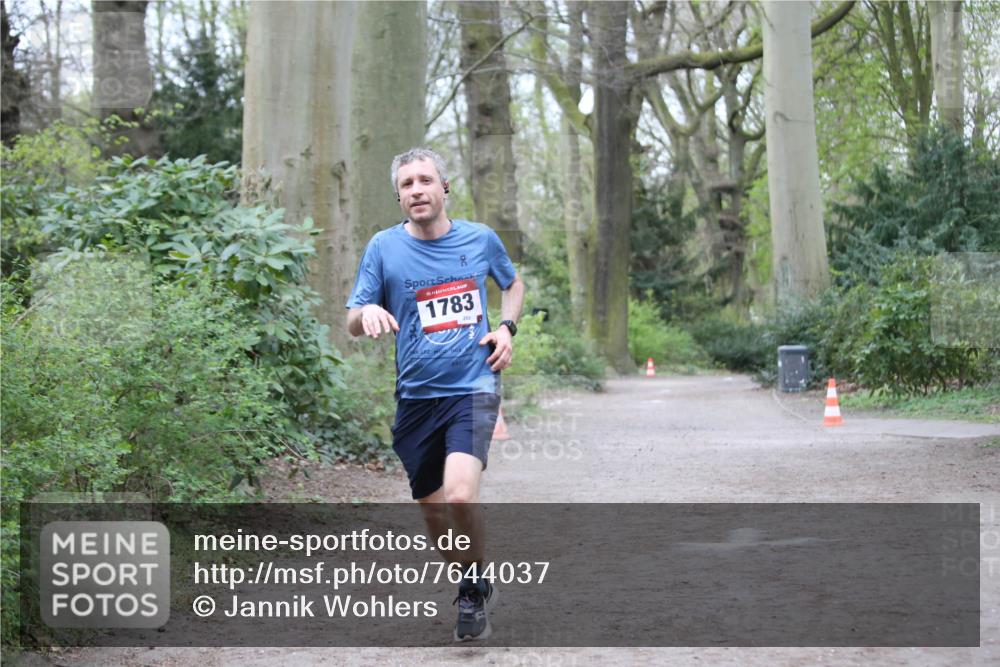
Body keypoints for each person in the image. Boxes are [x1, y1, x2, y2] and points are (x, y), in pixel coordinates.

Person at [345, 147, 524, 641]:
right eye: (407, 184)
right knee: (433, 506)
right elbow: (352, 319)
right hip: (417, 398)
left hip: (474, 385)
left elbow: (512, 284)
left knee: (461, 494)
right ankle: (474, 576)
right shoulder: (383, 247)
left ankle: (469, 593)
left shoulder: (480, 239)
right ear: (399, 196)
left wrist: (506, 328)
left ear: (444, 188)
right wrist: (367, 316)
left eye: (425, 180)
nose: (417, 190)